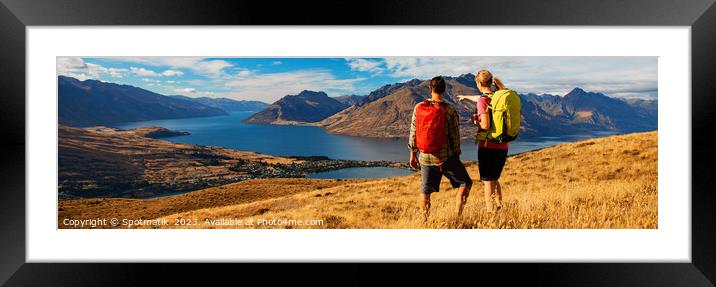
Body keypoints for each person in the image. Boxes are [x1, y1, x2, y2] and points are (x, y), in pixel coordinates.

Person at [408, 76, 473, 221]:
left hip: (424, 156)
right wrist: (456, 156)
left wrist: (413, 154)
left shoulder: (419, 107)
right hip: (445, 158)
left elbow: (414, 133)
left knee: (426, 190)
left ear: (430, 89)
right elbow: (455, 137)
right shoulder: (449, 110)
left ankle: (425, 221)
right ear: (445, 90)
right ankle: (457, 217)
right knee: (465, 182)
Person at [456, 70, 508, 212]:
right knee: (495, 179)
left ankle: (491, 213)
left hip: (488, 146)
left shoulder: (483, 101)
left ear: (478, 83)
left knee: (487, 182)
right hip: (503, 145)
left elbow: (485, 125)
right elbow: (481, 97)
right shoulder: (498, 96)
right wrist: (465, 97)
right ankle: (499, 208)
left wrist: (476, 122)